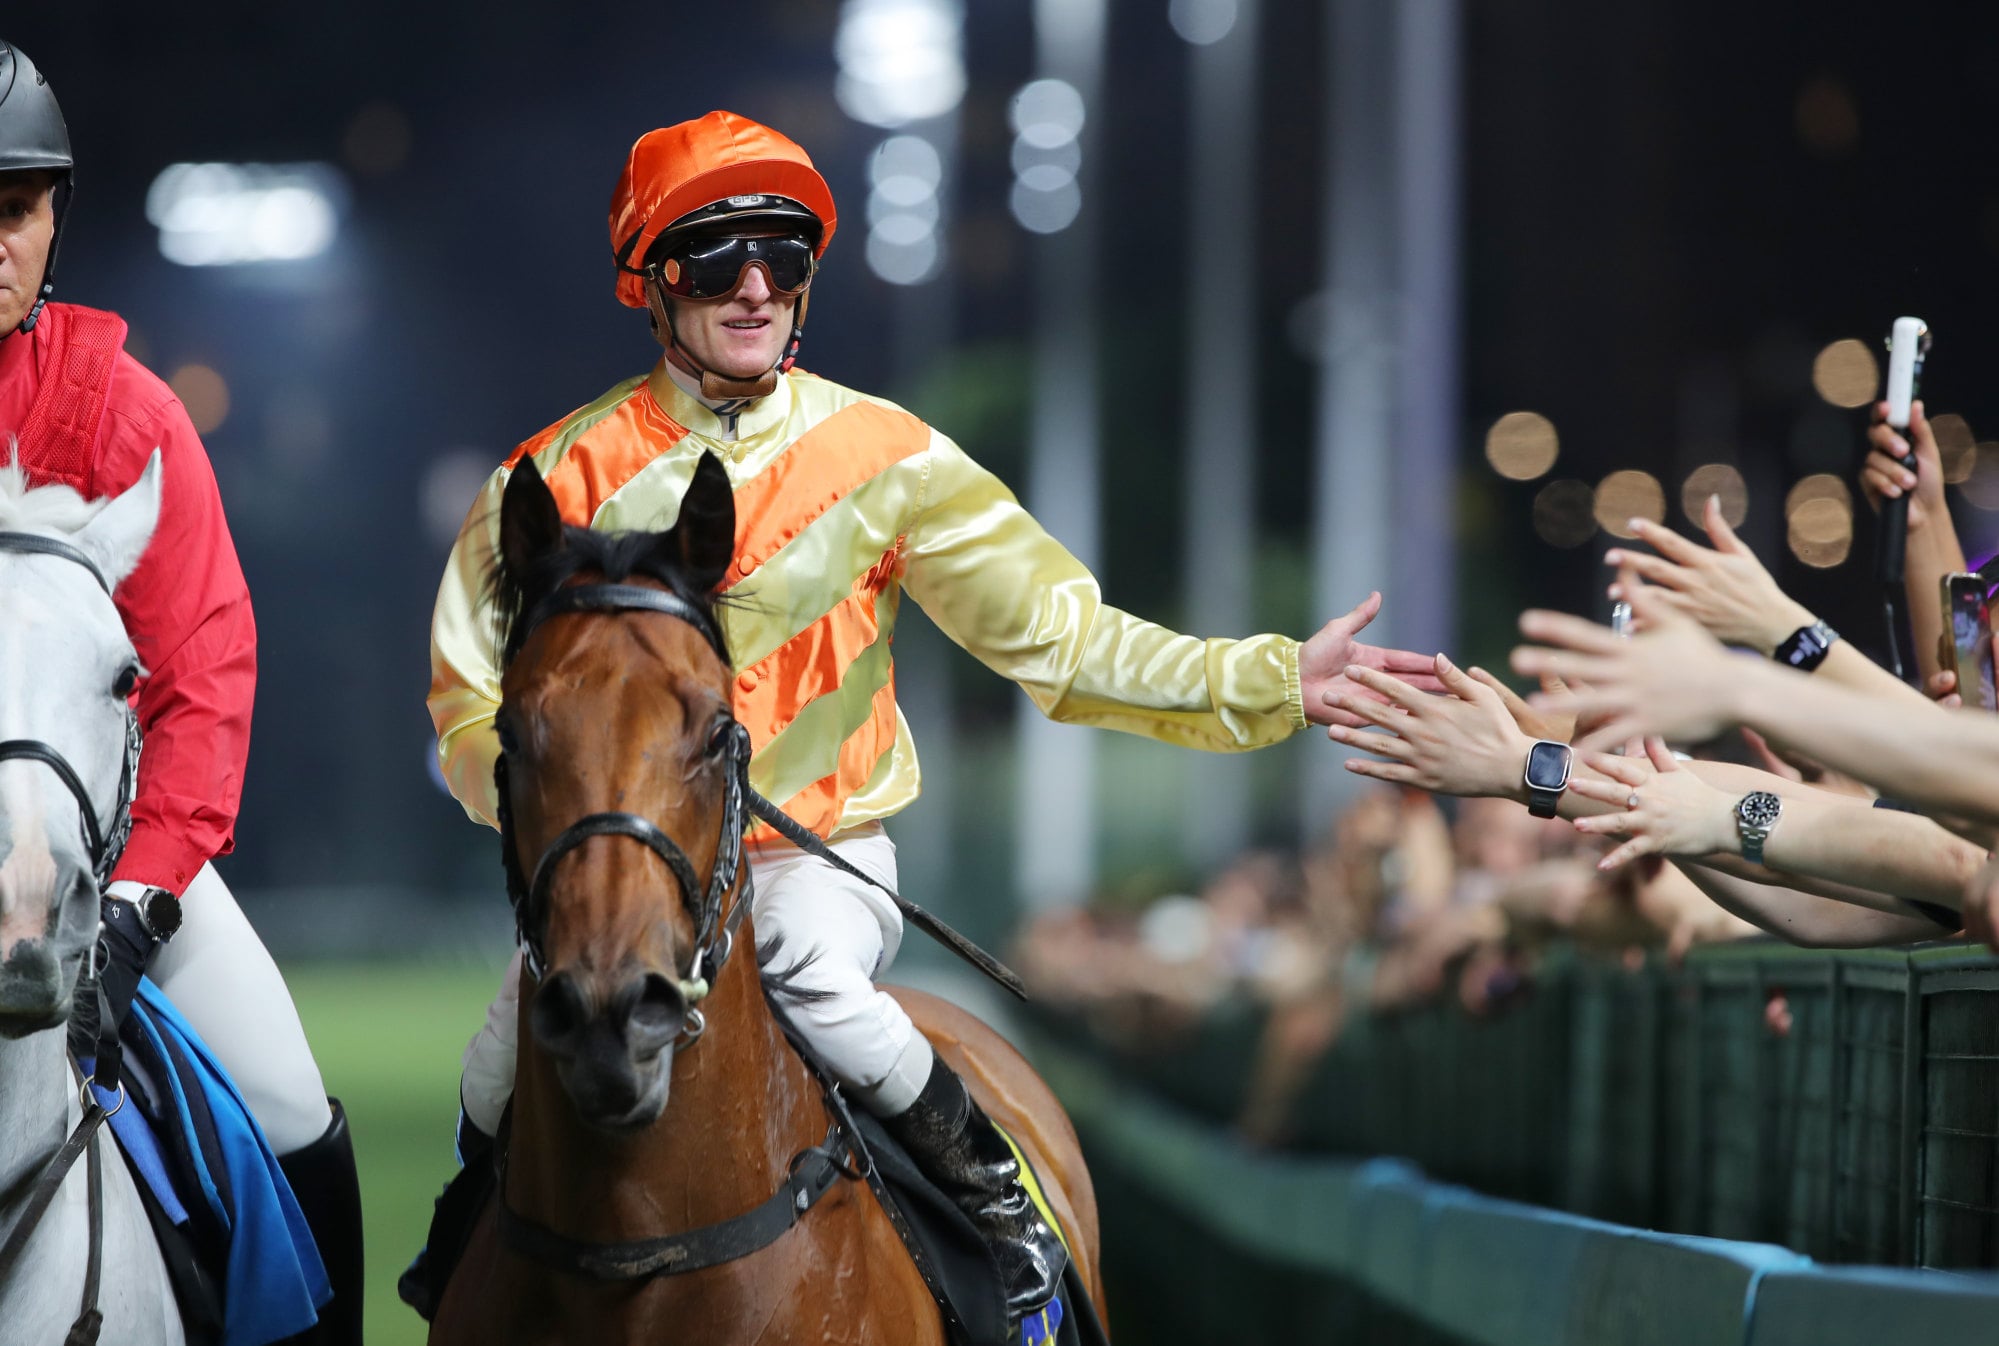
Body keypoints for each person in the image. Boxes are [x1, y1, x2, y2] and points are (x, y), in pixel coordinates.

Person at [411, 109, 1441, 1325]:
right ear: (651, 280)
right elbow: (465, 706)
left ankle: (1006, 1226)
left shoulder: (888, 458)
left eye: (782, 258)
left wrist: (1275, 678)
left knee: (807, 975)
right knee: (498, 1060)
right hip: (624, 875)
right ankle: (460, 1253)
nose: (753, 286)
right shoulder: (547, 477)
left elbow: (1065, 641)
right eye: (715, 256)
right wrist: (573, 825)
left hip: (814, 863)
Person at [0, 41, 363, 1344]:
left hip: (122, 865)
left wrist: (141, 908)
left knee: (290, 1108)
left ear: (52, 221)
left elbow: (202, 683)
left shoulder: (131, 419)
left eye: (16, 210)